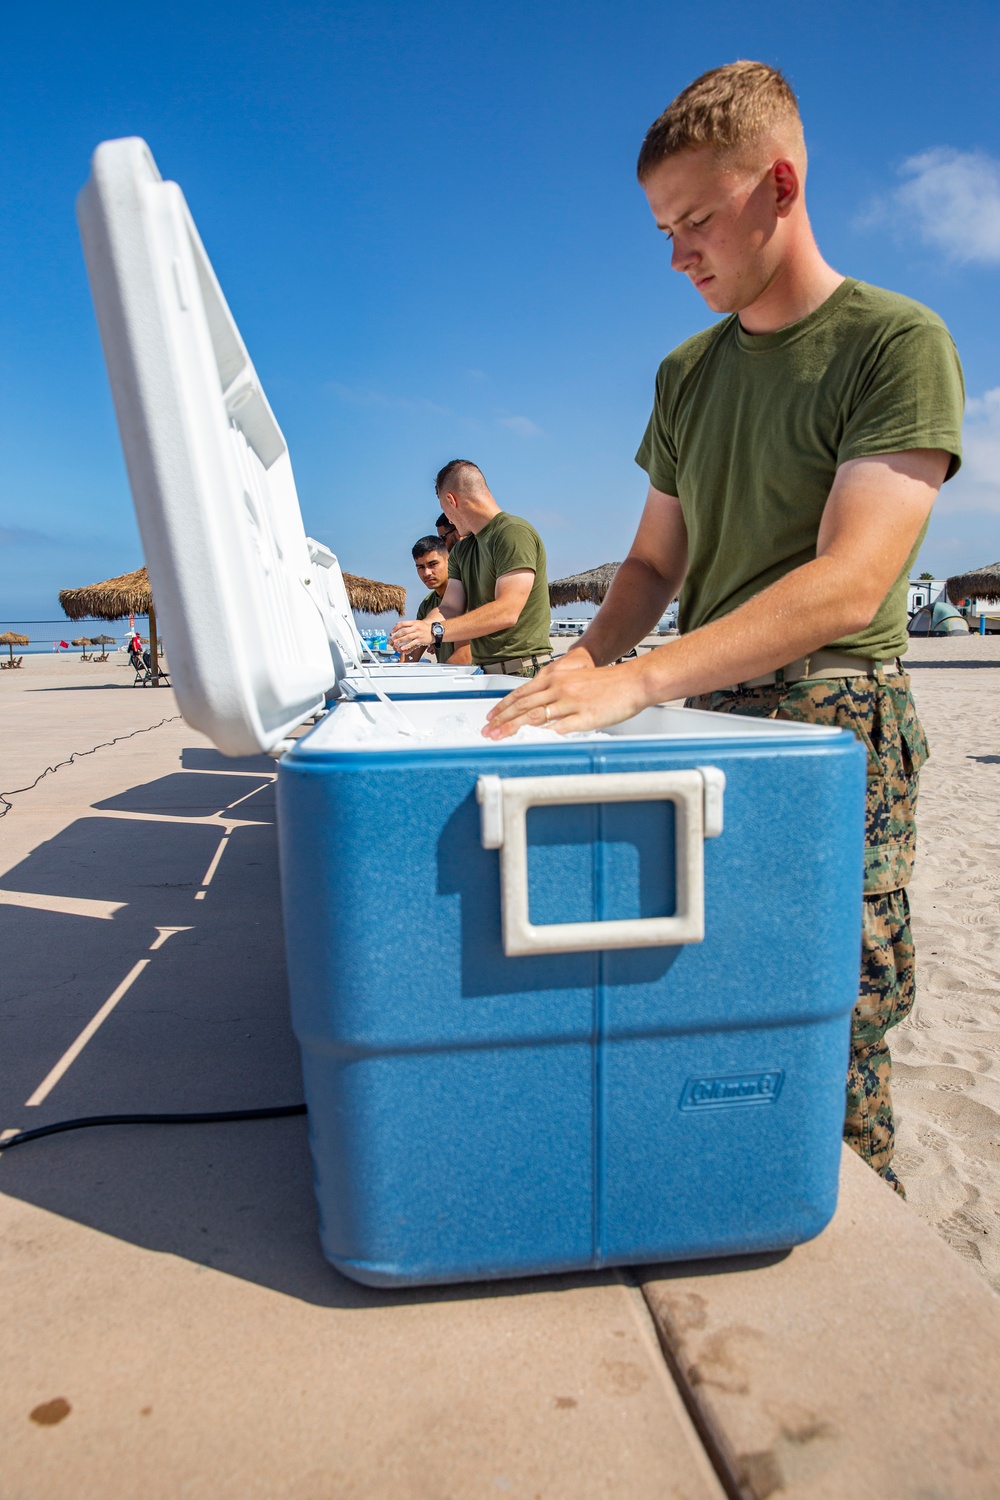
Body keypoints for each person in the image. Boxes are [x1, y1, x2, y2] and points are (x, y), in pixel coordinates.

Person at [484, 60, 964, 1195]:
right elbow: (655, 561)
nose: (676, 253)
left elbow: (848, 584)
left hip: (831, 712)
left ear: (780, 186)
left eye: (696, 219)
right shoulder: (684, 373)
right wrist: (580, 668)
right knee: (702, 991)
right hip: (706, 702)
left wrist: (640, 684)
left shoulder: (895, 341)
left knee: (830, 1013)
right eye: (661, 228)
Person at [392, 461, 553, 677]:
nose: (447, 518)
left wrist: (434, 631)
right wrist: (419, 629)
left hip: (527, 671)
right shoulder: (462, 550)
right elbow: (449, 607)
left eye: (444, 509)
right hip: (486, 674)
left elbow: (507, 611)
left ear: (451, 500)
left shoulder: (513, 533)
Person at [407, 535, 472, 665]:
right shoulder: (427, 605)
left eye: (433, 564)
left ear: (449, 560)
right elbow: (410, 654)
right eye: (420, 567)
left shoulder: (466, 596)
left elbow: (464, 656)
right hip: (448, 676)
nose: (427, 573)